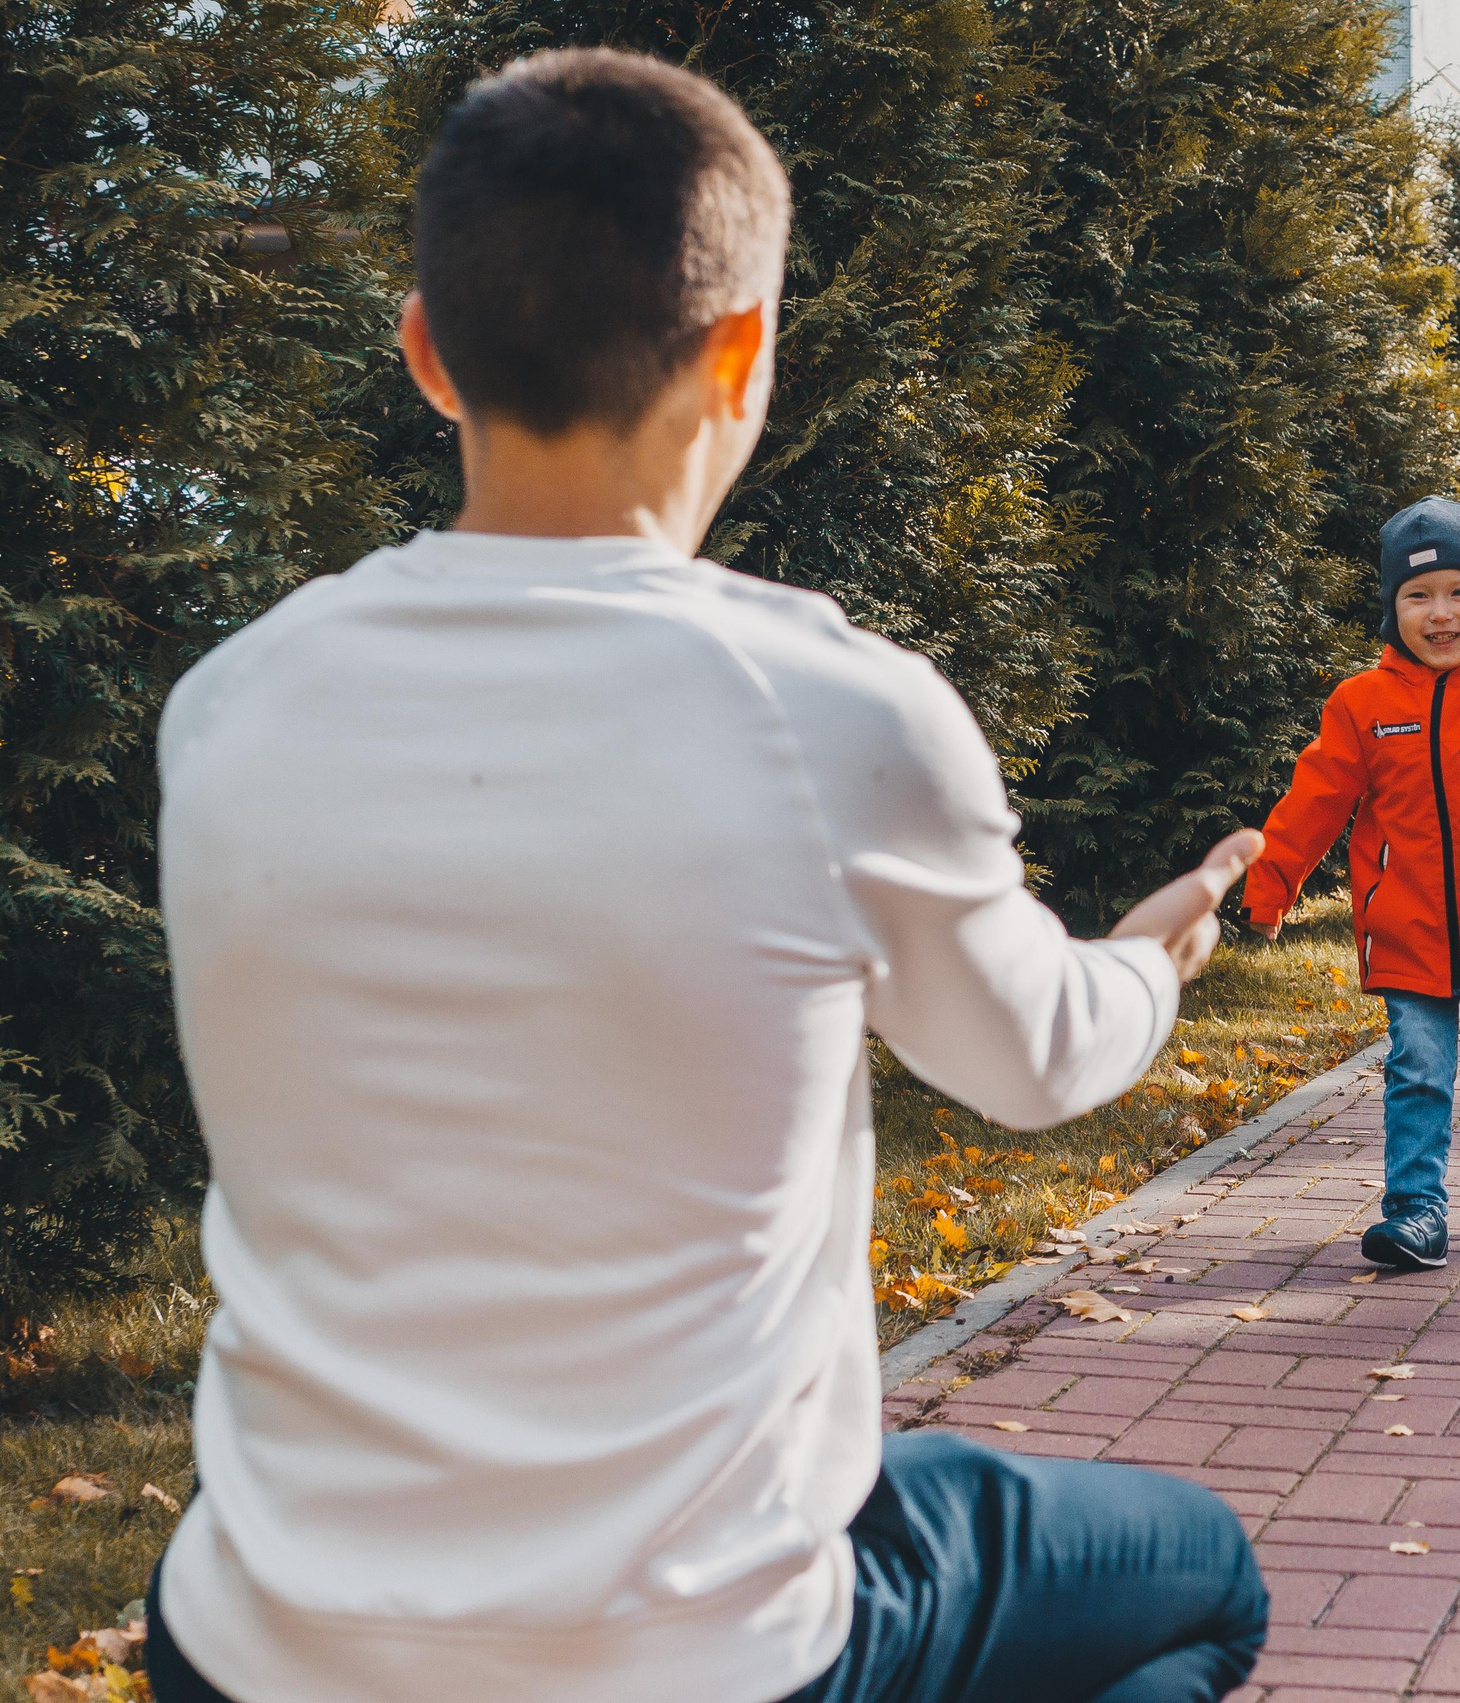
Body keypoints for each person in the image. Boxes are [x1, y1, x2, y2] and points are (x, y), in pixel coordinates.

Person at [145, 48, 1267, 1703]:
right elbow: (1038, 1060)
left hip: (257, 1637)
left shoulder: (228, 701)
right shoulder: (833, 713)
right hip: (703, 1650)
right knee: (1210, 1590)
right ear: (744, 352)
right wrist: (1153, 952)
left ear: (425, 350)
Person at [1241, 498, 1460, 1272]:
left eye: (1458, 592)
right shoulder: (1362, 706)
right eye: (1418, 596)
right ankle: (1416, 1210)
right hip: (1408, 927)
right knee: (1417, 1068)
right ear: (1391, 608)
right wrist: (1271, 883)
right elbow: (1315, 799)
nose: (1440, 614)